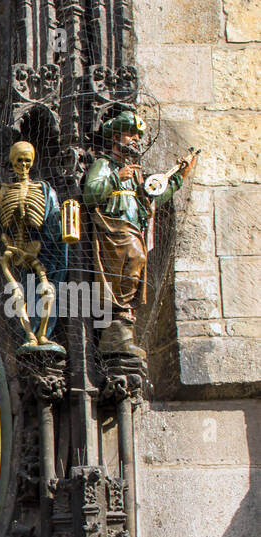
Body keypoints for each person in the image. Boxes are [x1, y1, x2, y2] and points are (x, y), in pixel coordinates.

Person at [83, 110, 197, 359]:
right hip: (113, 231)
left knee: (136, 265)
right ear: (115, 138)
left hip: (133, 230)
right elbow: (90, 195)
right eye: (129, 134)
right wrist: (115, 178)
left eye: (137, 135)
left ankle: (123, 325)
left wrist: (178, 178)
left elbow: (152, 197)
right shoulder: (104, 165)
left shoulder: (135, 172)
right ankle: (115, 326)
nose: (134, 139)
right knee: (127, 265)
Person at [0, 140, 69, 354]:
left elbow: (53, 215)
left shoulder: (44, 189)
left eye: (28, 161)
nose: (24, 166)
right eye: (19, 161)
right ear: (12, 162)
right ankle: (28, 334)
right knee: (16, 293)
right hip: (10, 248)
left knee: (48, 291)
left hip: (34, 248)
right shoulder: (2, 188)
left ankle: (42, 334)